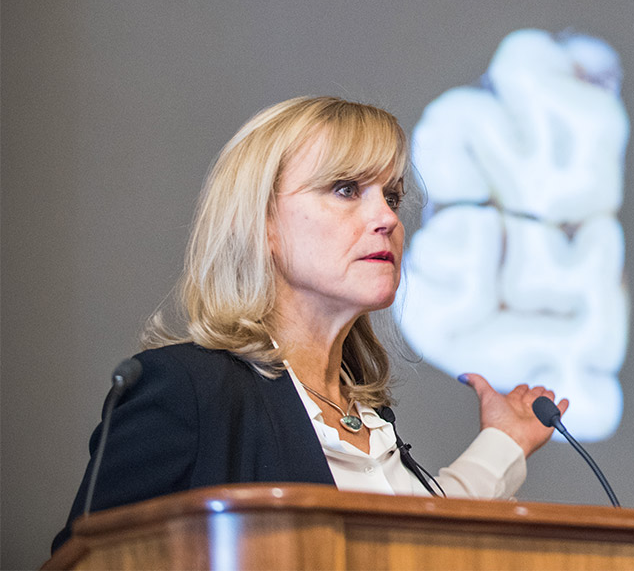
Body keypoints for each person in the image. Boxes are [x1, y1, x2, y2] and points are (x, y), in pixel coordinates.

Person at [52, 96, 567, 552]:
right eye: (345, 189)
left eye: (391, 195)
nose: (386, 218)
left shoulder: (365, 416)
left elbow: (413, 538)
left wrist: (505, 442)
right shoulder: (188, 390)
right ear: (263, 224)